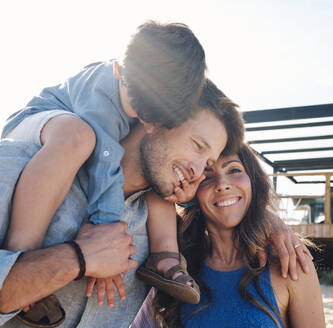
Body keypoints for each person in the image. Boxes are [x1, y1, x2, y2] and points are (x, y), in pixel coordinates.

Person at [0, 81, 310, 328]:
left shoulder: (160, 240)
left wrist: (270, 220)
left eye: (209, 161)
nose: (199, 170)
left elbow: (219, 207)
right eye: (197, 145)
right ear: (157, 117)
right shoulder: (20, 171)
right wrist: (75, 258)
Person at [1, 20, 208, 325]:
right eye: (144, 114)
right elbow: (105, 162)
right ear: (118, 72)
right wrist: (106, 230)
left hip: (74, 136)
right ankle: (22, 251)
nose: (149, 125)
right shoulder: (103, 95)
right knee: (79, 137)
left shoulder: (147, 93)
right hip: (39, 124)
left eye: (160, 118)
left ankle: (167, 256)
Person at [137, 144, 325, 328]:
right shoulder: (176, 267)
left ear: (253, 181)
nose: (222, 184)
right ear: (191, 194)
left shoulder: (289, 261)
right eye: (206, 176)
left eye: (234, 170)